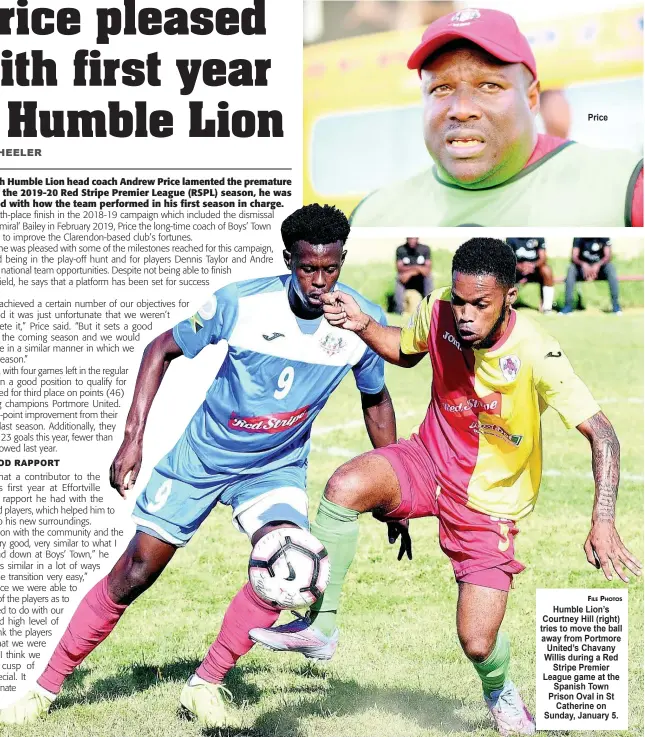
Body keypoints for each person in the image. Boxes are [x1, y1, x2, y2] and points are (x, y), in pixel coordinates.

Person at [0, 204, 396, 728]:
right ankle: (42, 689)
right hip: (201, 460)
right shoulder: (241, 302)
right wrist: (132, 440)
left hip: (273, 469)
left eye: (330, 269)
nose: (320, 282)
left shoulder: (360, 321)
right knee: (135, 573)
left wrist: (392, 485)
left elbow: (377, 398)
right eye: (307, 268)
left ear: (342, 260)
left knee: (292, 566)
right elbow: (160, 348)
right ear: (288, 260)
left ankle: (205, 685)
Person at [250, 238, 641, 737]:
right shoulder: (438, 311)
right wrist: (365, 324)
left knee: (477, 642)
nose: (466, 315)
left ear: (510, 298)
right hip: (429, 460)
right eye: (460, 301)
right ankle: (321, 627)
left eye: (481, 304)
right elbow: (405, 351)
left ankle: (501, 694)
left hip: (489, 503)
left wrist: (603, 519)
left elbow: (603, 434)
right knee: (344, 485)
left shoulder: (538, 351)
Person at [349, 8, 643, 227]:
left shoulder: (625, 189)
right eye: (441, 88)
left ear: (531, 99)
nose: (461, 109)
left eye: (489, 85)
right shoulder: (372, 217)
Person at [561, 238, 621, 315]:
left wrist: (598, 264)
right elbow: (574, 257)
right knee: (571, 269)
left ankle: (616, 306)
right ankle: (567, 306)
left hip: (600, 269)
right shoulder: (579, 237)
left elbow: (608, 256)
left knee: (610, 268)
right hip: (582, 270)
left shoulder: (603, 236)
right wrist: (584, 264)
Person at [505, 237, 554, 313]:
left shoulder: (538, 236)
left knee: (547, 270)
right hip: (517, 268)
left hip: (535, 269)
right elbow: (508, 259)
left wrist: (532, 266)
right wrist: (520, 266)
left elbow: (543, 258)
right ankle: (506, 305)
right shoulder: (511, 237)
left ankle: (547, 307)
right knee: (506, 271)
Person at [394, 237, 433, 314]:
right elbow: (399, 268)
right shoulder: (401, 249)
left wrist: (411, 271)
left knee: (429, 277)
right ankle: (399, 310)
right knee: (399, 277)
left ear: (418, 238)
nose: (412, 240)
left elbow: (427, 270)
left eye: (414, 238)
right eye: (410, 238)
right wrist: (418, 267)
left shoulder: (425, 249)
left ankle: (429, 308)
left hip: (420, 278)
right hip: (406, 278)